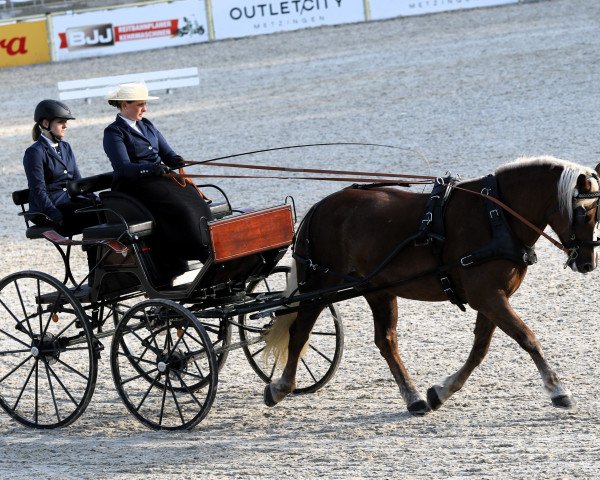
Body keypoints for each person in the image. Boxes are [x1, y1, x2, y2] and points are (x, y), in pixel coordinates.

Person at [102, 82, 212, 283]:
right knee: (181, 209)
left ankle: (209, 244)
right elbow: (123, 168)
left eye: (144, 104)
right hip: (134, 185)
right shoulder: (114, 133)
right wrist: (150, 169)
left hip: (158, 179)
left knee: (197, 202)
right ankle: (194, 250)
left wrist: (175, 160)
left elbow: (166, 152)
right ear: (124, 105)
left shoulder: (147, 125)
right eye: (139, 104)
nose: (144, 109)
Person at [23, 99, 99, 282]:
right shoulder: (35, 152)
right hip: (50, 208)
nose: (65, 126)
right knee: (92, 216)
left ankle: (102, 271)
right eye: (61, 122)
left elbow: (77, 181)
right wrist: (54, 213)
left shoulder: (66, 147)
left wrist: (93, 198)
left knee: (104, 209)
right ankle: (96, 275)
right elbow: (38, 189)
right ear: (45, 123)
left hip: (67, 201)